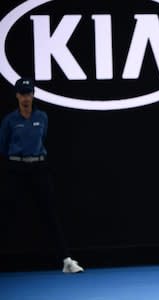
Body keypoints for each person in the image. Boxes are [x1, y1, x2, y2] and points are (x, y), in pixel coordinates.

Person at [0, 77, 84, 273]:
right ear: (17, 96)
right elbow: (3, 147)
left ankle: (66, 261)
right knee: (7, 212)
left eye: (28, 93)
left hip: (39, 168)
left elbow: (42, 139)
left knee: (51, 214)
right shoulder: (9, 120)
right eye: (22, 94)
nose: (26, 98)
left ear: (33, 95)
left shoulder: (42, 117)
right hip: (16, 169)